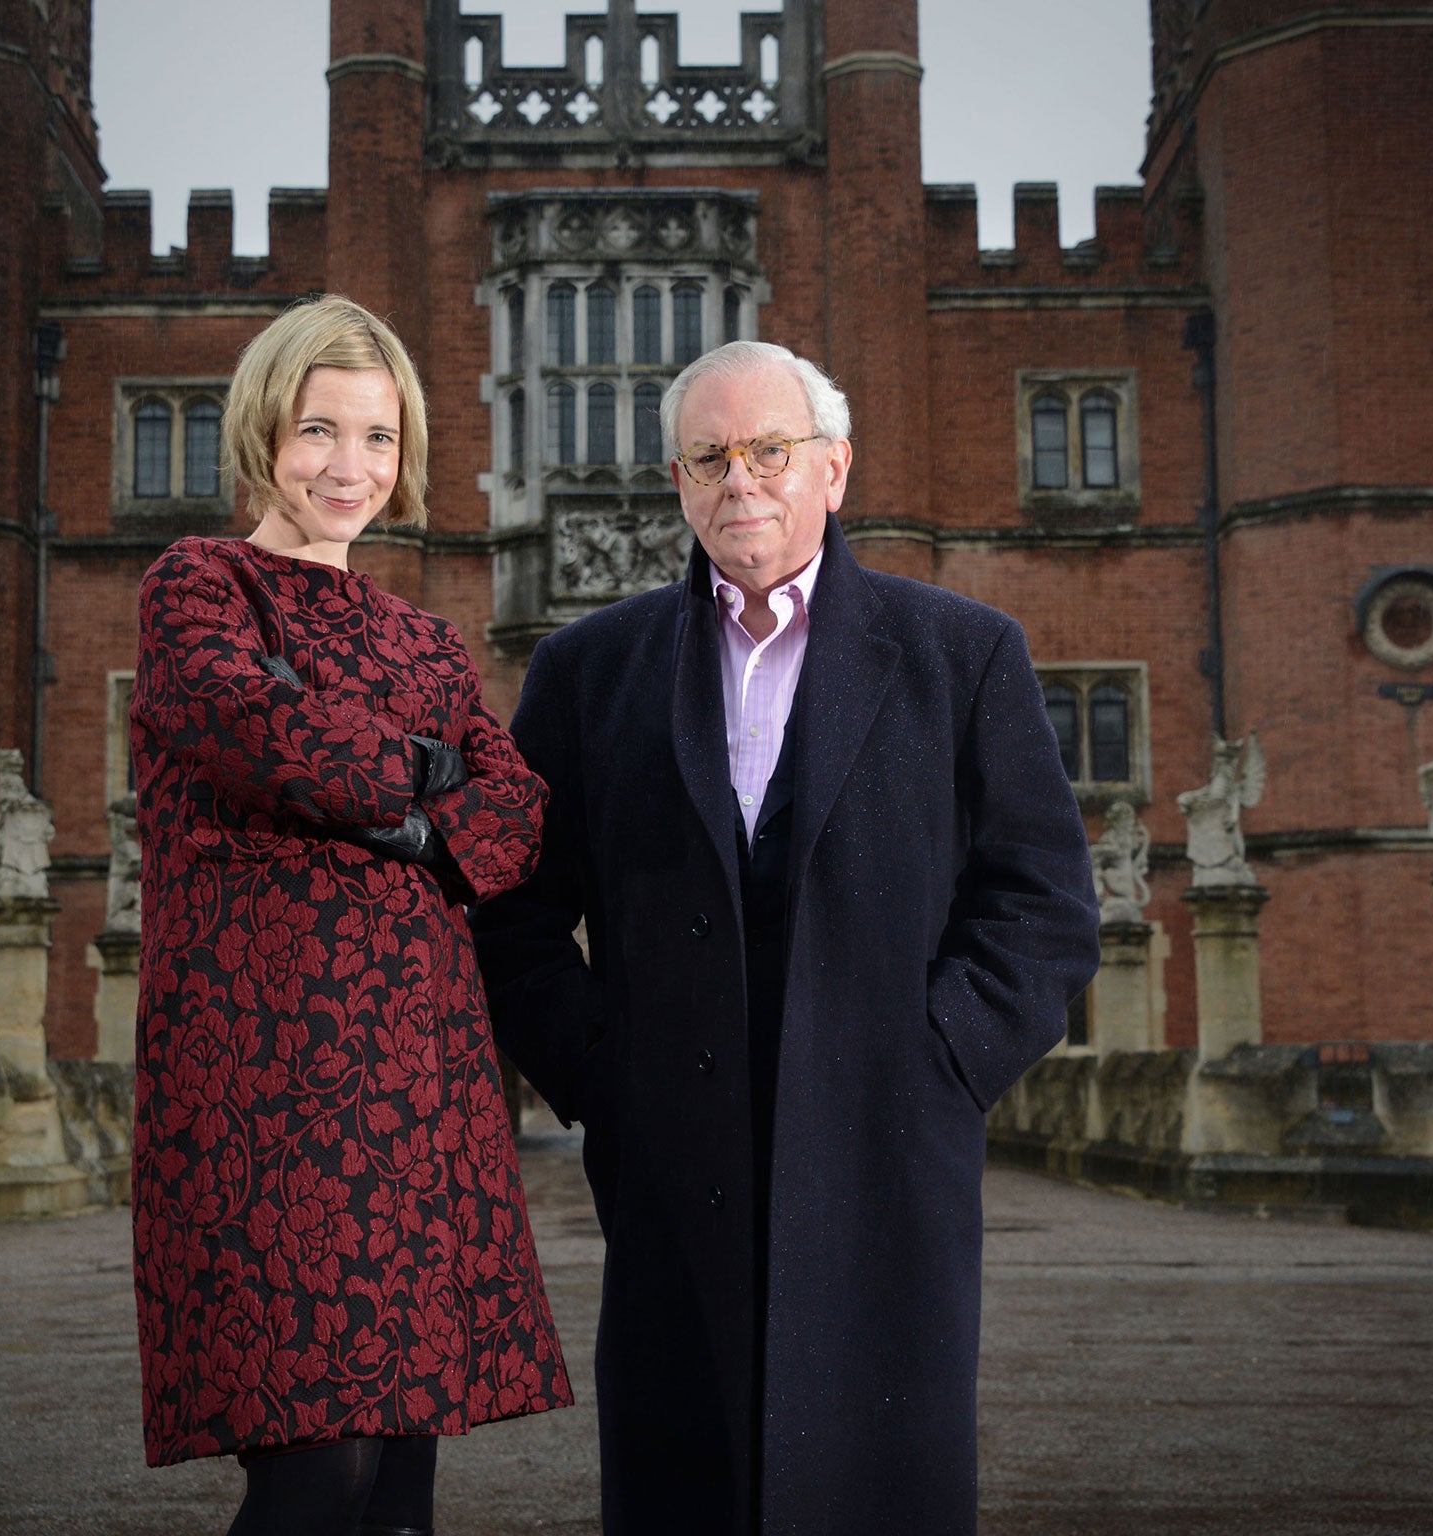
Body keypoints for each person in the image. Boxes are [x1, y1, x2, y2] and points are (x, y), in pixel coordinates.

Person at [471, 339, 1100, 1534]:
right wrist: (607, 1077)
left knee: (877, 1488)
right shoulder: (585, 670)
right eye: (708, 456)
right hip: (669, 1167)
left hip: (884, 1164)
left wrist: (937, 1067)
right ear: (677, 481)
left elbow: (1043, 905)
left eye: (769, 450)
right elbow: (513, 913)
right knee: (682, 1490)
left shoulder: (960, 656)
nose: (739, 480)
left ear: (833, 470)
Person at [131, 295, 571, 1536]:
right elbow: (250, 726)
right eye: (318, 430)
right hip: (258, 1080)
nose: (347, 466)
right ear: (264, 430)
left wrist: (411, 817)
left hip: (417, 1085)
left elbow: (518, 806)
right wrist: (422, 780)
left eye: (377, 438)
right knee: (315, 1474)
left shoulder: (425, 640)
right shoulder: (200, 586)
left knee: (398, 1490)